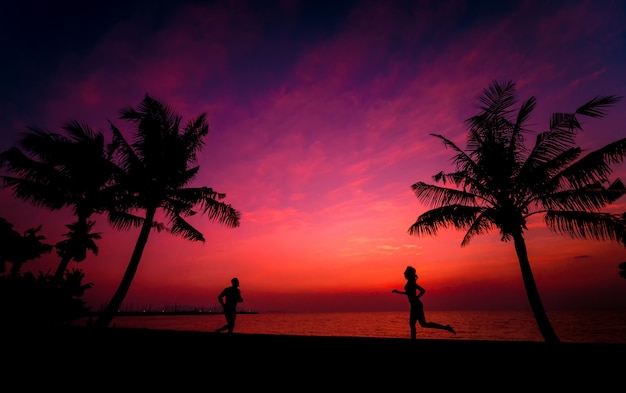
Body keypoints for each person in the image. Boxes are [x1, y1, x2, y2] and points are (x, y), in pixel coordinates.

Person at [392, 266, 456, 339]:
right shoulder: (410, 282)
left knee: (415, 324)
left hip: (416, 305)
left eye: (405, 272)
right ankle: (446, 327)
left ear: (408, 274)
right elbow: (409, 293)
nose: (404, 273)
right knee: (420, 324)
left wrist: (417, 297)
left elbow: (423, 290)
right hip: (414, 305)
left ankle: (446, 327)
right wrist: (398, 292)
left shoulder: (412, 283)